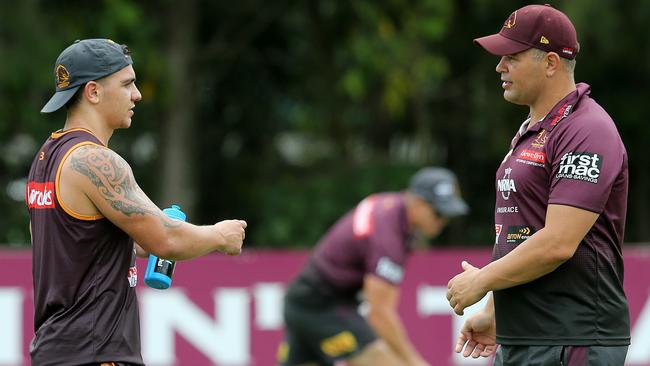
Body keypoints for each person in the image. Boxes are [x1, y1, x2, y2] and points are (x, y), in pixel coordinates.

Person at [26, 39, 247, 366]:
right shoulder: (95, 160)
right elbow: (166, 238)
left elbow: (77, 244)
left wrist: (137, 242)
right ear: (93, 92)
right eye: (127, 83)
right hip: (95, 353)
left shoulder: (46, 158)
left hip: (54, 352)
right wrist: (219, 236)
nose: (138, 94)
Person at [445, 4, 630, 365]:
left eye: (510, 57)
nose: (499, 67)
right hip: (526, 336)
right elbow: (525, 233)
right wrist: (497, 311)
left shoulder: (586, 129)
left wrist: (483, 280)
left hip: (572, 339)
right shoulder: (534, 130)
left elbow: (557, 243)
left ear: (549, 63)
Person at [277, 167, 469, 366]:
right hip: (320, 305)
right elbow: (379, 314)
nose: (443, 221)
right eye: (439, 213)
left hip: (309, 300)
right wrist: (414, 362)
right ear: (418, 203)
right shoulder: (388, 237)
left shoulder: (393, 207)